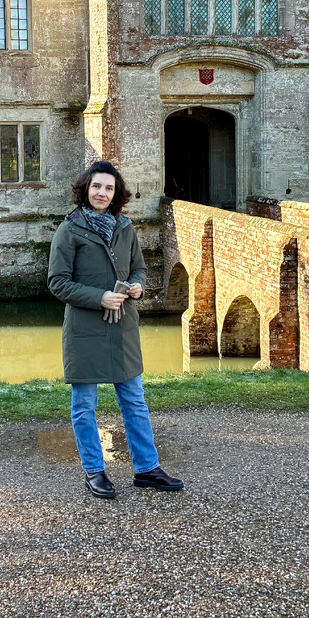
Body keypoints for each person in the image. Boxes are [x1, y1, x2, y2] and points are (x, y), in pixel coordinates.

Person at [47, 160, 184, 499]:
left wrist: (137, 286)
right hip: (85, 327)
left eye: (108, 188)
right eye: (96, 187)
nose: (102, 193)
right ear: (85, 190)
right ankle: (94, 471)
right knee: (85, 404)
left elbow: (138, 269)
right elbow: (57, 283)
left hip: (123, 326)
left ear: (116, 193)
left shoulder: (125, 227)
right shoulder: (70, 229)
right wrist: (99, 297)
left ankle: (147, 468)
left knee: (135, 400)